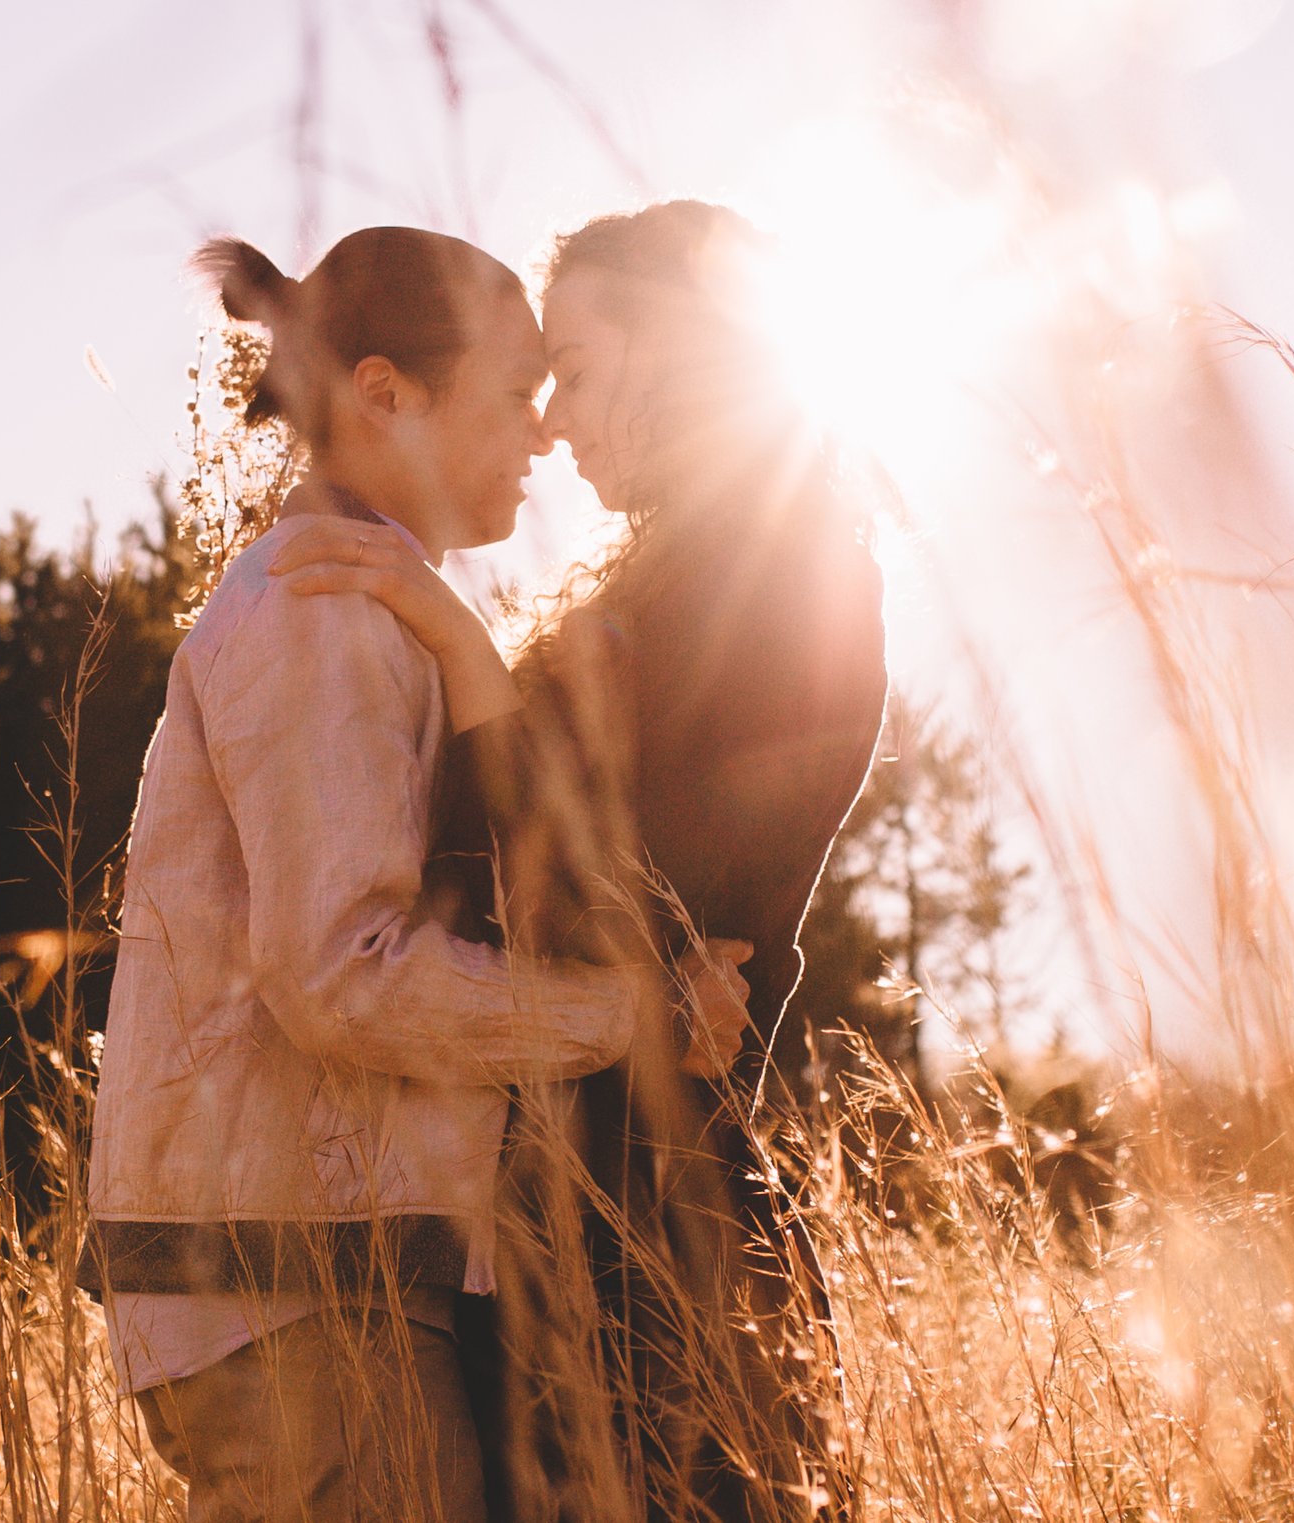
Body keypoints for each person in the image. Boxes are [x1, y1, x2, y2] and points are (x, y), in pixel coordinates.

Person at [79, 224, 752, 1523]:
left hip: (322, 1282)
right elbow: (343, 975)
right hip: (294, 1300)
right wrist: (633, 1022)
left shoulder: (368, 606)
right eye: (513, 389)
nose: (544, 432)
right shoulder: (326, 610)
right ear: (385, 396)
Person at [272, 200, 889, 1522]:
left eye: (578, 370)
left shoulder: (790, 580)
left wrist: (453, 640)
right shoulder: (668, 585)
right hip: (573, 1238)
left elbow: (583, 893)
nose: (548, 420)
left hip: (664, 1260)